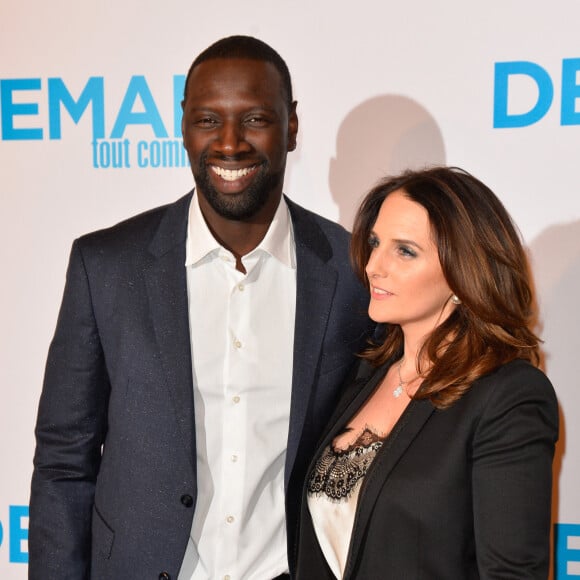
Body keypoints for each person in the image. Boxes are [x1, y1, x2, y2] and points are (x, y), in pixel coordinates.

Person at [29, 35, 373, 580]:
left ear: (293, 127)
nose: (230, 143)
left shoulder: (354, 274)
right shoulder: (107, 267)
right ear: (184, 126)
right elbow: (63, 463)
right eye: (209, 120)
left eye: (255, 118)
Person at [293, 166, 559, 579]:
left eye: (405, 251)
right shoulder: (365, 373)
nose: (373, 265)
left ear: (462, 272)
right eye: (376, 243)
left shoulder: (508, 396)